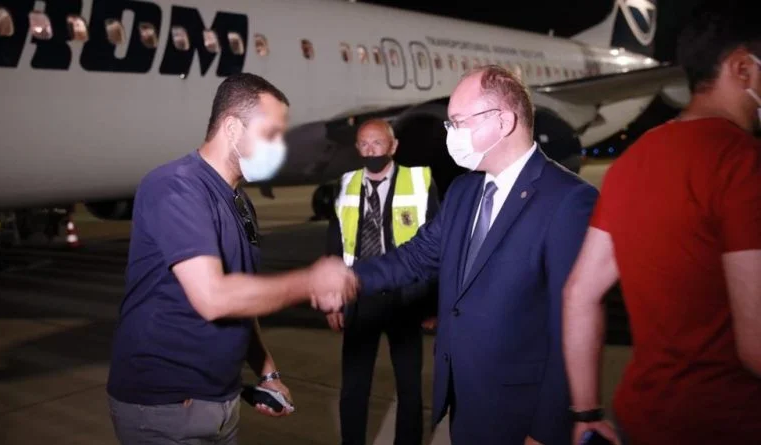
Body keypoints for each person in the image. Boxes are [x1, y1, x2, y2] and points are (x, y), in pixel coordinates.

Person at [325, 65, 599, 444]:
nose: (450, 135)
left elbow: (572, 323)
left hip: (520, 412)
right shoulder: (463, 191)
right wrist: (348, 278)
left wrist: (546, 429)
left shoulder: (569, 200)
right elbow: (415, 257)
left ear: (503, 121)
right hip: (463, 400)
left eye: (458, 122)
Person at [106, 73, 355, 445]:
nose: (279, 148)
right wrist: (310, 281)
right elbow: (214, 297)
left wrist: (267, 372)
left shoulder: (240, 202)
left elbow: (242, 298)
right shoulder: (175, 187)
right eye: (271, 135)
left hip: (222, 401)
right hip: (167, 409)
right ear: (233, 128)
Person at [562, 2, 761, 444]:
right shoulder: (743, 163)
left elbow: (579, 293)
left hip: (642, 416)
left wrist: (586, 411)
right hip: (732, 423)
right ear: (742, 68)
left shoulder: (632, 162)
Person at [326, 119, 439, 445]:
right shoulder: (345, 184)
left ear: (393, 146)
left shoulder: (420, 181)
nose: (371, 150)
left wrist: (433, 303)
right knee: (354, 386)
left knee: (409, 387)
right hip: (360, 294)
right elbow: (334, 244)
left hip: (407, 296)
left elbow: (437, 247)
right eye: (364, 144)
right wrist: (334, 299)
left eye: (377, 143)